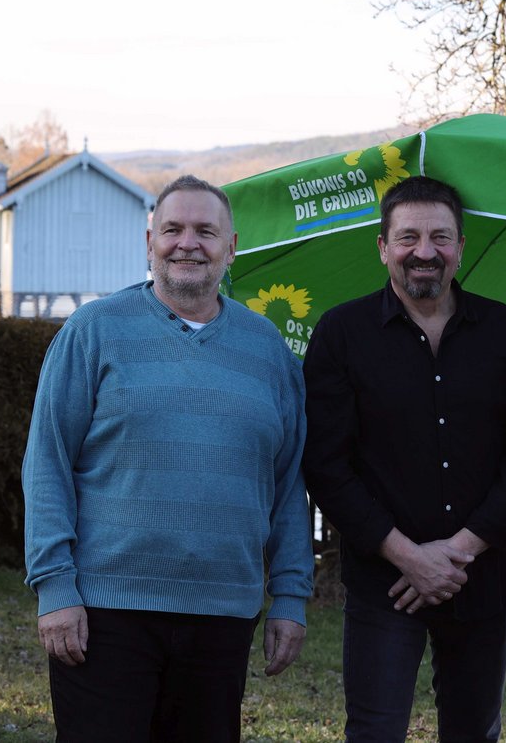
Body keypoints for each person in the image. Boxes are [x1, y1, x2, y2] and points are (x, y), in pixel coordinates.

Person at [22, 174, 314, 742]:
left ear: (231, 247)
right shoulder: (92, 332)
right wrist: (54, 585)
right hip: (105, 613)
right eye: (173, 229)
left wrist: (291, 595)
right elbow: (47, 463)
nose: (188, 243)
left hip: (224, 615)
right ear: (149, 240)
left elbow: (287, 486)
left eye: (206, 231)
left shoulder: (268, 351)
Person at [302, 175, 506, 742]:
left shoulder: (505, 332)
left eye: (440, 237)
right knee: (374, 732)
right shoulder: (342, 334)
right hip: (384, 582)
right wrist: (409, 557)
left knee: (473, 734)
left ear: (460, 246)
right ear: (383, 247)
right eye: (408, 237)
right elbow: (326, 465)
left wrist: (456, 553)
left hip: (480, 579)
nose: (424, 251)